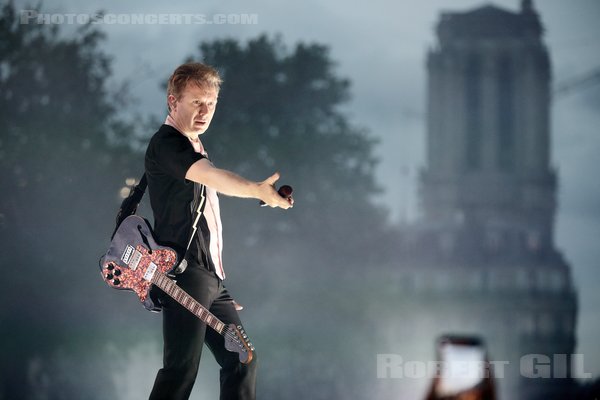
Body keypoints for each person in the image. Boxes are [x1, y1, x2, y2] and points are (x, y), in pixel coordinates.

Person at [144, 62, 293, 400]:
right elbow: (213, 177)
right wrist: (257, 189)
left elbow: (204, 220)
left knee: (243, 359)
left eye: (211, 103)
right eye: (196, 102)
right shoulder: (168, 144)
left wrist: (216, 282)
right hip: (183, 276)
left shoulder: (194, 146)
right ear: (173, 102)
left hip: (209, 282)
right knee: (181, 370)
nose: (205, 110)